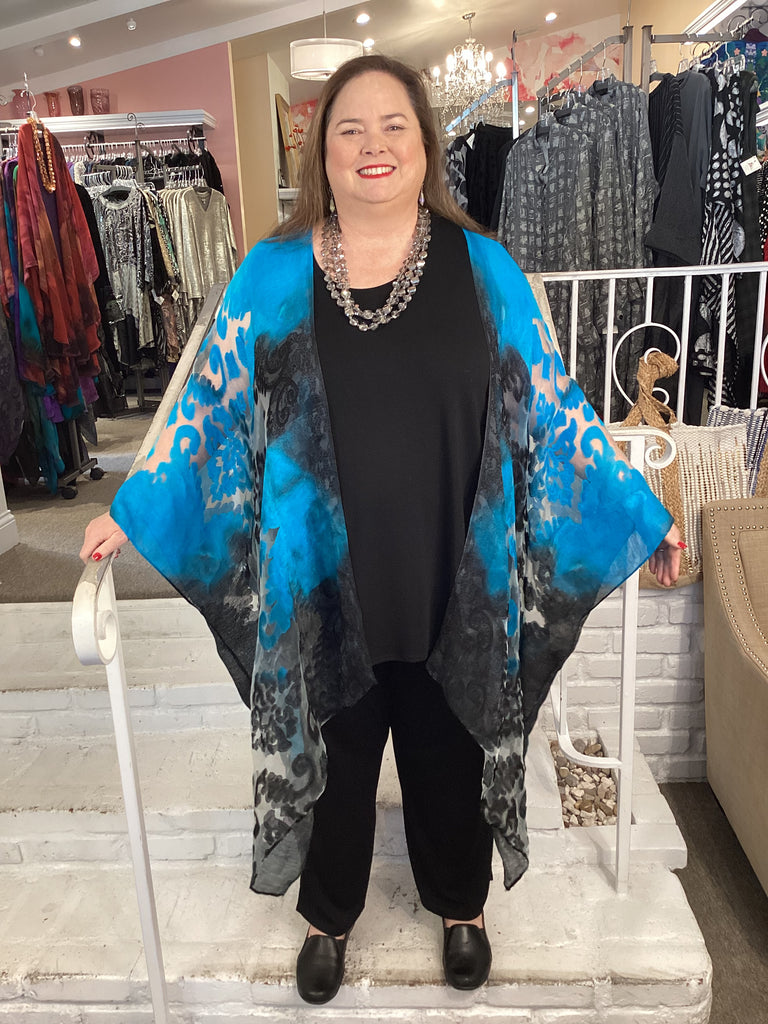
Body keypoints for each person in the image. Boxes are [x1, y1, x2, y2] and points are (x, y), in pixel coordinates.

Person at [81, 54, 681, 1005]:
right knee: (337, 750)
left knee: (451, 744)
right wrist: (133, 507)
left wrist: (639, 513)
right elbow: (209, 409)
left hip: (454, 569)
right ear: (321, 152)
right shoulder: (271, 274)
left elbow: (552, 407)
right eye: (350, 129)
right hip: (322, 578)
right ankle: (328, 913)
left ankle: (460, 903)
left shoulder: (484, 269)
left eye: (393, 126)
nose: (373, 145)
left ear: (424, 146)